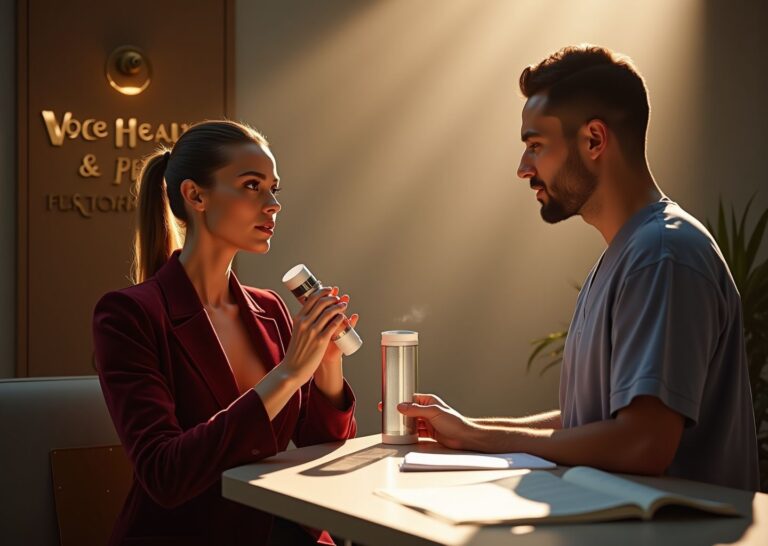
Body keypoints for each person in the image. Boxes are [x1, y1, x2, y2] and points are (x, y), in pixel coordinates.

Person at [397, 45, 760, 491]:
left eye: (536, 146)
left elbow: (642, 444)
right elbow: (589, 423)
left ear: (593, 140)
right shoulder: (627, 255)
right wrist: (464, 426)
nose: (522, 168)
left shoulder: (663, 255)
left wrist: (479, 435)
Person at [92, 120, 358, 545]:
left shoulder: (269, 309)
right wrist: (288, 374)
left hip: (282, 529)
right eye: (252, 186)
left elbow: (320, 447)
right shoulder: (129, 315)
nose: (272, 204)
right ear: (196, 195)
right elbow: (165, 474)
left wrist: (326, 364)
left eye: (274, 188)